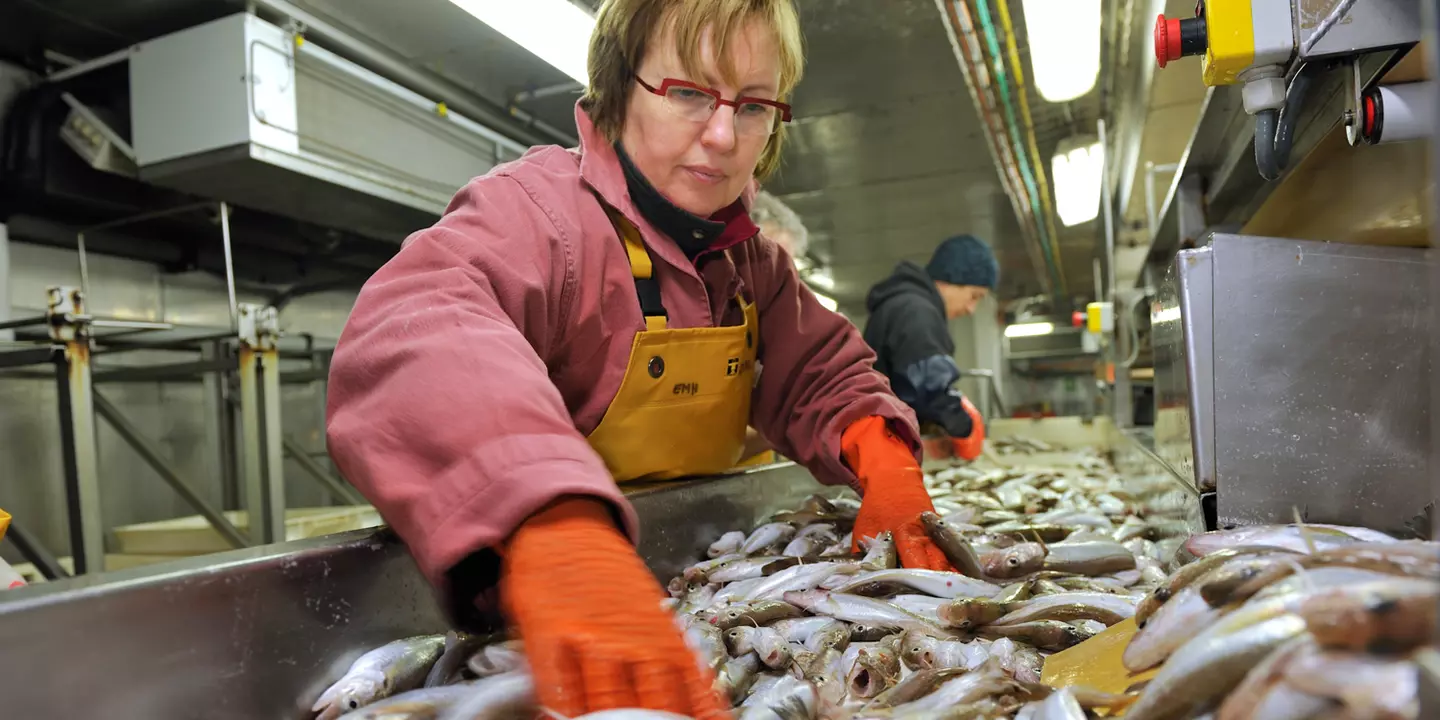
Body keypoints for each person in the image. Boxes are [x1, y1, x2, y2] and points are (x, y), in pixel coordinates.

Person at [325, 1, 951, 716]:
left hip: (671, 596)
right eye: (688, 92)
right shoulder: (537, 216)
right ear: (620, 88)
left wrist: (883, 454)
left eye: (752, 106)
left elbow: (820, 370)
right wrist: (551, 525)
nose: (722, 135)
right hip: (524, 612)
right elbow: (418, 331)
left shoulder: (750, 264)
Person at [862, 234, 997, 461]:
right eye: (974, 296)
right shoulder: (917, 311)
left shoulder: (902, 304)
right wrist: (965, 427)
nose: (971, 309)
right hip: (888, 450)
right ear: (950, 278)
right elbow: (929, 387)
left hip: (882, 443)